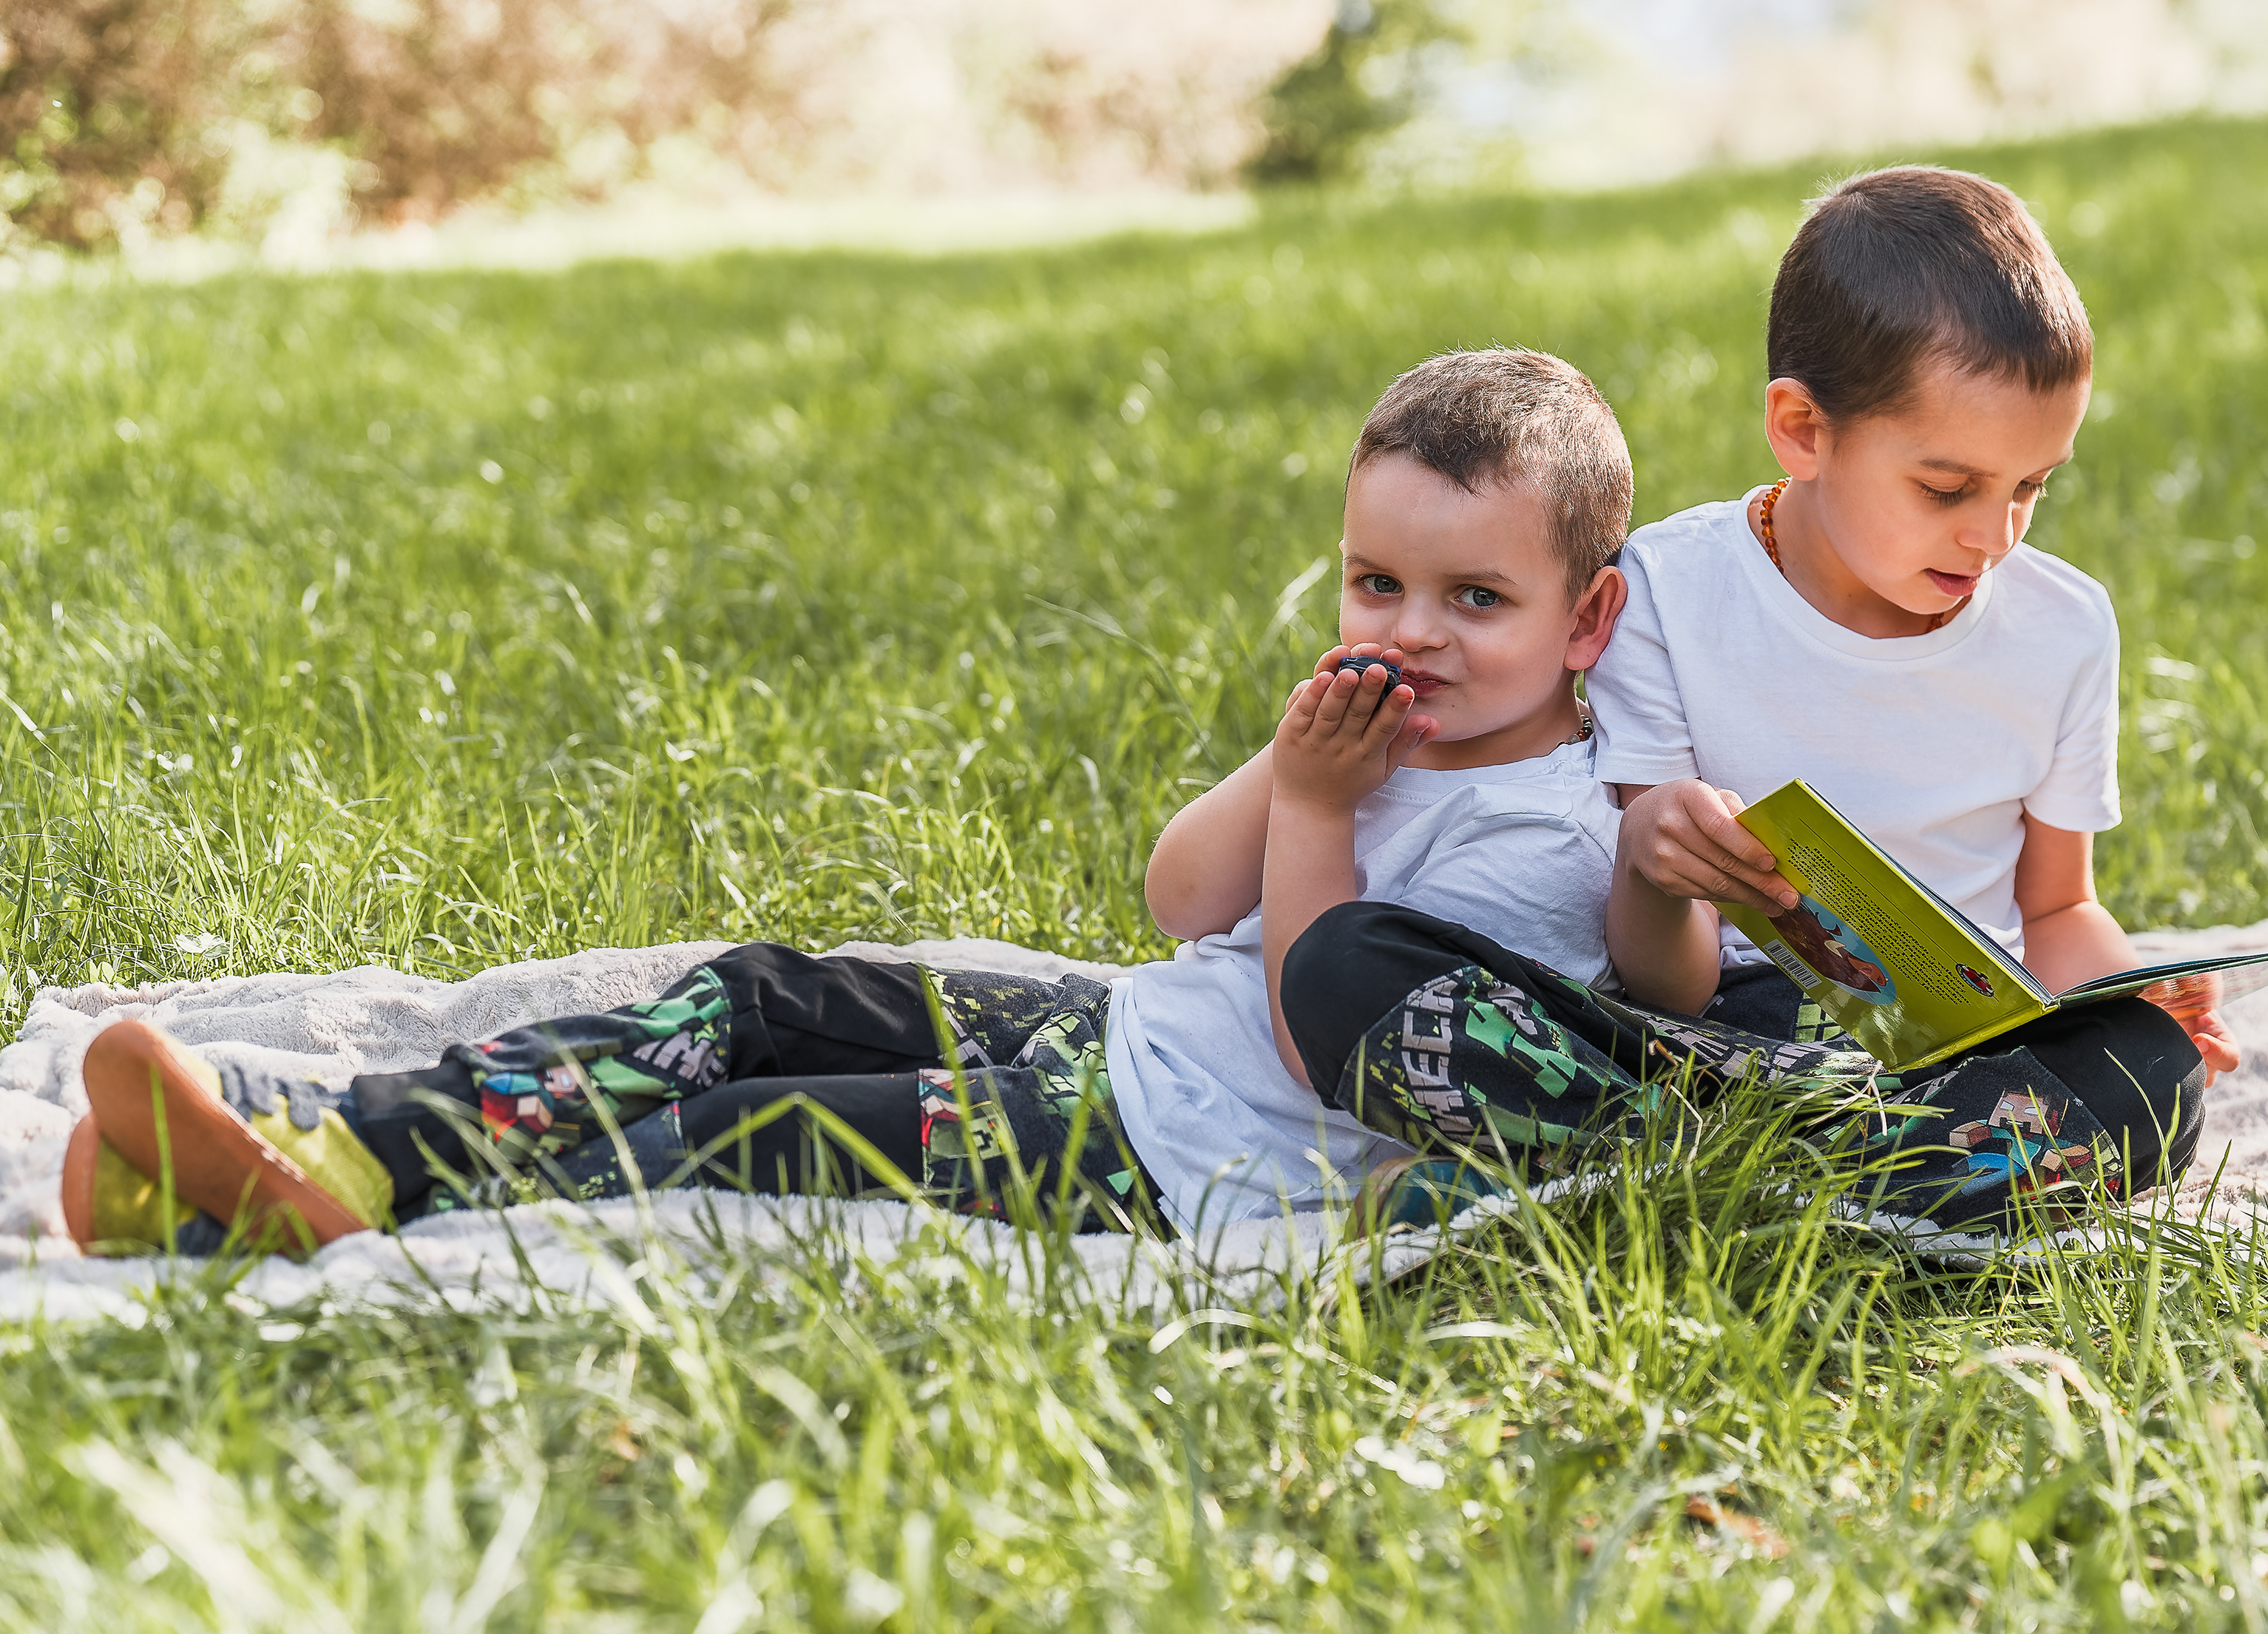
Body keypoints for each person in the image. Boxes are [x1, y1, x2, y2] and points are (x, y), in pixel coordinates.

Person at [60, 348, 1640, 1258]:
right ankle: (354, 1141)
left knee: (739, 1137)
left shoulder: (1543, 842)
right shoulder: (1377, 727)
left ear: (1586, 621)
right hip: (1123, 1040)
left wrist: (1318, 813)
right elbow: (1179, 901)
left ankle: (278, 1215)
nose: (1411, 632)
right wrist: (1295, 771)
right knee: (758, 995)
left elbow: (1322, 1039)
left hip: (1178, 1156)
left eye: (1474, 598)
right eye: (1376, 581)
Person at [1278, 166, 2223, 1237]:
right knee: (1346, 965)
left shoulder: (2065, 626)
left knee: (2154, 1075)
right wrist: (1654, 857)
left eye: (2032, 486)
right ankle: (1819, 1196)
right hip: (1704, 1044)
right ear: (1803, 428)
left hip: (1953, 1059)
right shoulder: (1669, 592)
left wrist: (2133, 994)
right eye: (1947, 488)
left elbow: (2055, 911)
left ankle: (1649, 1187)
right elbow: (1660, 984)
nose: (1994, 534)